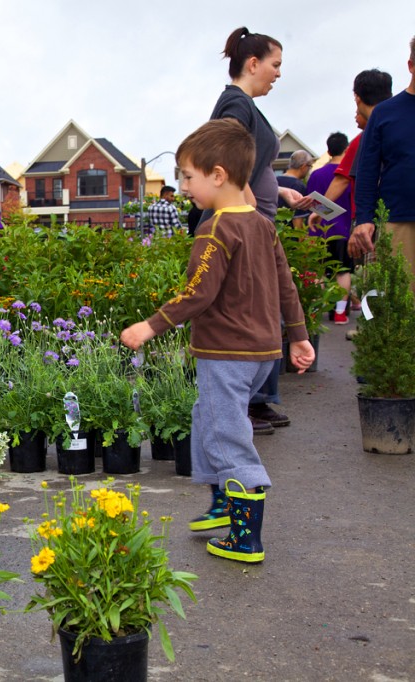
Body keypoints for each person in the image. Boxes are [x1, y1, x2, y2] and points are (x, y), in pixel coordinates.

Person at [120, 119, 315, 564]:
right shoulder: (264, 226)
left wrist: (149, 326)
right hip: (260, 352)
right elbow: (287, 285)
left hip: (228, 352)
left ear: (219, 175)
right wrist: (299, 338)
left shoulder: (214, 230)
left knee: (227, 435)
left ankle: (246, 537)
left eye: (188, 176)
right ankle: (223, 503)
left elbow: (198, 293)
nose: (182, 186)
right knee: (208, 418)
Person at [208, 26, 313, 435]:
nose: (278, 73)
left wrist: (280, 190)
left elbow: (254, 161)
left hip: (257, 222)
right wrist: (247, 202)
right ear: (253, 64)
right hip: (244, 229)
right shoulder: (235, 103)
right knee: (246, 313)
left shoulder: (248, 105)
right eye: (275, 64)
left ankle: (255, 399)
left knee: (259, 309)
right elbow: (224, 147)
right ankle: (243, 402)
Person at [350, 36, 415, 295]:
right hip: (397, 220)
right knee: (398, 303)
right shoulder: (384, 113)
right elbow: (367, 171)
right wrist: (364, 218)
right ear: (410, 65)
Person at [309, 70, 393, 225]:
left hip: (367, 221)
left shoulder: (364, 139)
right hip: (398, 215)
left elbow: (342, 180)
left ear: (357, 97)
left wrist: (319, 212)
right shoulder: (399, 130)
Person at [305, 132, 353, 324]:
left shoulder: (316, 175)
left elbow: (311, 203)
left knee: (317, 272)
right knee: (342, 271)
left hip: (317, 230)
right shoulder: (349, 175)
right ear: (347, 148)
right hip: (342, 229)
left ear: (328, 150)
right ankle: (340, 313)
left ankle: (315, 311)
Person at [276, 150, 314, 229]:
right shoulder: (299, 186)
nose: (309, 170)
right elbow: (298, 217)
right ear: (303, 166)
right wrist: (301, 238)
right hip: (289, 235)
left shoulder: (274, 181)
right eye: (310, 166)